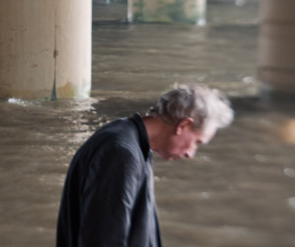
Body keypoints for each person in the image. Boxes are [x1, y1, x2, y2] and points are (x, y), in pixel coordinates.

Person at [56, 84, 234, 247]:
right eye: (197, 142)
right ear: (183, 125)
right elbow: (103, 239)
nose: (190, 153)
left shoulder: (130, 139)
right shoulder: (121, 152)